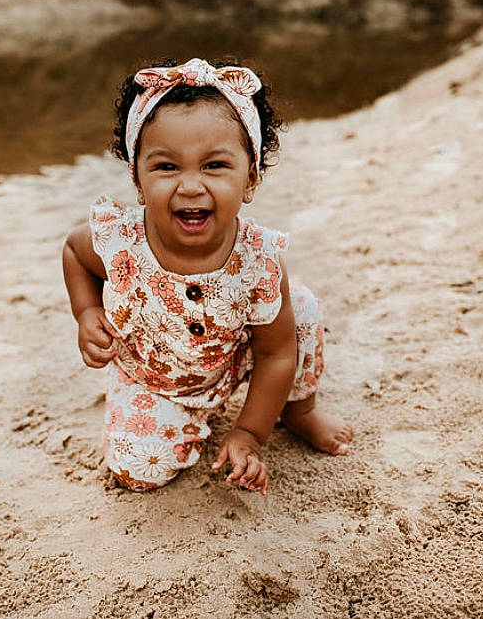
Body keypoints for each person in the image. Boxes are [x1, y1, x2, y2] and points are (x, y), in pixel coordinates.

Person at [61, 58, 352, 494]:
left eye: (214, 165)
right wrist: (86, 311)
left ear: (249, 179)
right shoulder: (120, 241)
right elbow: (74, 252)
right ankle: (173, 417)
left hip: (236, 356)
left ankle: (299, 409)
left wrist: (249, 434)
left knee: (300, 307)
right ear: (138, 181)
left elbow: (274, 356)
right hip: (154, 376)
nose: (191, 186)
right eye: (166, 167)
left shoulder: (258, 261)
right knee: (136, 472)